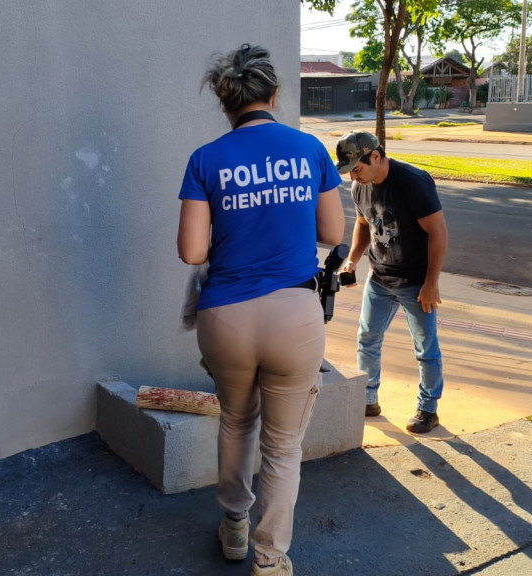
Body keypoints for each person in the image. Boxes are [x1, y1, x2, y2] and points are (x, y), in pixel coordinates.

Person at [177, 44, 345, 576]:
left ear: (226, 104)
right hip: (294, 314)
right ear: (274, 95)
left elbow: (192, 253)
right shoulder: (309, 148)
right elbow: (332, 233)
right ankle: (270, 560)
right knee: (283, 447)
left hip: (226, 315)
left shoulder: (205, 159)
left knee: (235, 422)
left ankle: (234, 526)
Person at [336, 131, 449, 434]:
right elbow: (364, 224)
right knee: (367, 339)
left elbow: (438, 233)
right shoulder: (360, 187)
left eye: (356, 169)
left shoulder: (414, 182)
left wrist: (431, 283)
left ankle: (428, 409)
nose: (353, 177)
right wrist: (353, 260)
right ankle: (367, 398)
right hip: (379, 278)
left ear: (375, 156)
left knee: (425, 348)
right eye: (349, 172)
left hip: (416, 282)